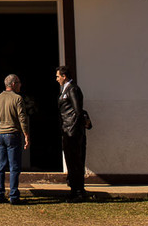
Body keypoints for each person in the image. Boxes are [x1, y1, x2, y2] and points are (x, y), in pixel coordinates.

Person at [0, 73, 29, 204]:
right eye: (19, 83)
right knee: (14, 166)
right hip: (12, 134)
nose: (20, 85)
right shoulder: (18, 99)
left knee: (0, 166)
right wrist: (26, 134)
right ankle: (14, 195)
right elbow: (22, 117)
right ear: (13, 84)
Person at [56, 65, 87, 201]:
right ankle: (75, 190)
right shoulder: (66, 89)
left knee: (75, 161)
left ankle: (78, 192)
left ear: (64, 76)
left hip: (72, 131)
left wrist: (73, 130)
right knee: (71, 160)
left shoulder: (72, 89)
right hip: (67, 129)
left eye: (58, 76)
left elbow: (78, 111)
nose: (56, 79)